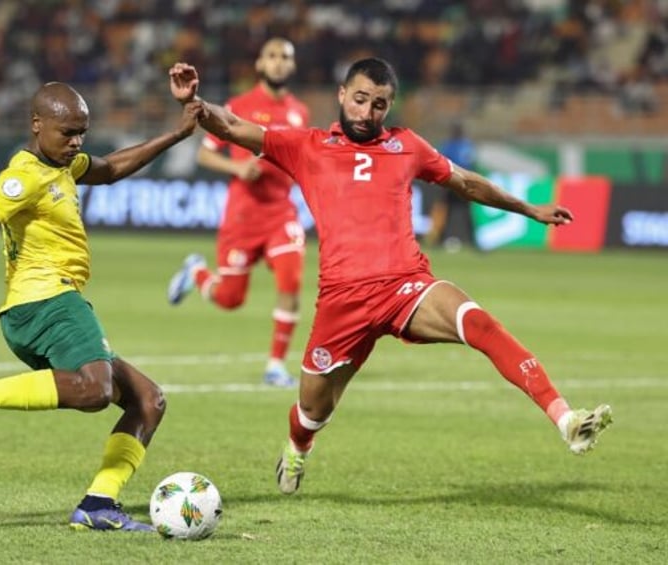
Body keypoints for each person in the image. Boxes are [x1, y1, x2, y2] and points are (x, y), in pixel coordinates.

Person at [168, 58, 613, 495]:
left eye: (379, 104)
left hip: (406, 285)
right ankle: (299, 445)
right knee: (312, 409)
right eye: (360, 99)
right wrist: (197, 104)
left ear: (390, 106)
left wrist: (528, 208)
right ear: (342, 95)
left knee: (478, 322)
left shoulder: (407, 146)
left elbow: (466, 183)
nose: (367, 112)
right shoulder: (307, 145)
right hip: (342, 301)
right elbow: (234, 127)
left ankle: (565, 418)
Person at [0, 82, 202, 529]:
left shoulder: (65, 166)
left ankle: (97, 505)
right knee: (97, 390)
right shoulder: (24, 176)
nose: (76, 143)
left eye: (82, 133)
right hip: (46, 301)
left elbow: (110, 168)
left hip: (49, 305)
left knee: (148, 400)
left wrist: (178, 133)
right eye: (67, 133)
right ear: (37, 125)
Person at [166, 38, 310, 388]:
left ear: (291, 67)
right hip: (243, 217)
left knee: (291, 281)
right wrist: (238, 170)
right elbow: (205, 155)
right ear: (260, 64)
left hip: (281, 213)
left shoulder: (299, 112)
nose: (278, 63)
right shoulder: (239, 105)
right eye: (272, 56)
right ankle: (197, 273)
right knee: (230, 299)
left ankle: (275, 366)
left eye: (285, 58)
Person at [424, 121, 478, 251]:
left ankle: (440, 240)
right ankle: (474, 241)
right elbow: (471, 164)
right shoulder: (467, 145)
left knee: (445, 210)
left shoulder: (449, 145)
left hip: (451, 182)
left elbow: (441, 162)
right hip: (463, 182)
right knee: (464, 213)